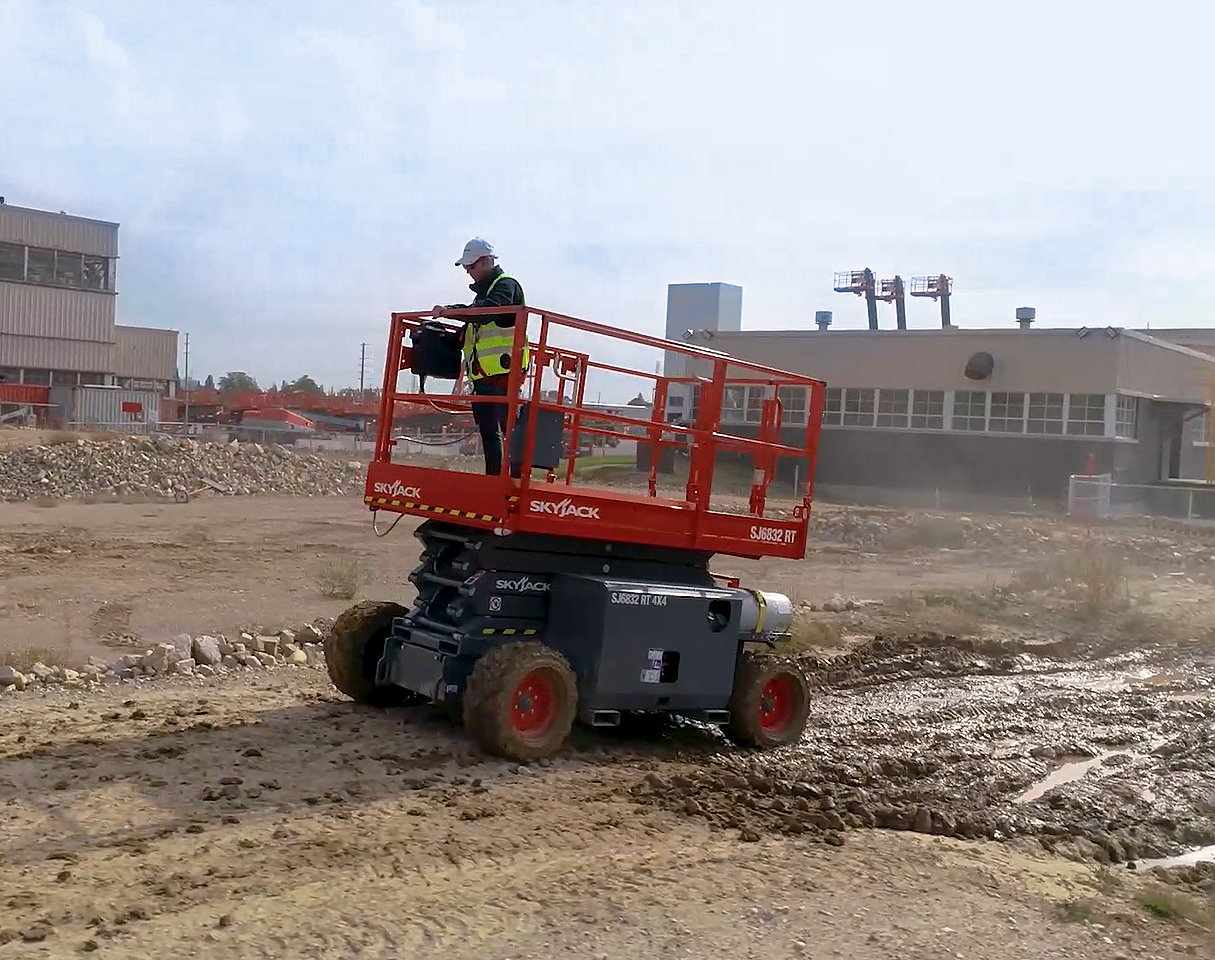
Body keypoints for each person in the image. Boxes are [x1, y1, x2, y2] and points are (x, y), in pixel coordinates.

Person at [433, 238, 529, 477]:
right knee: (489, 431)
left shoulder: (506, 286)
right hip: (485, 375)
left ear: (487, 261)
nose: (468, 272)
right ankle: (494, 480)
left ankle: (515, 480)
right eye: (466, 267)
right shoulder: (484, 294)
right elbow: (476, 322)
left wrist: (451, 311)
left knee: (508, 430)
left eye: (471, 266)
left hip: (504, 373)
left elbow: (489, 312)